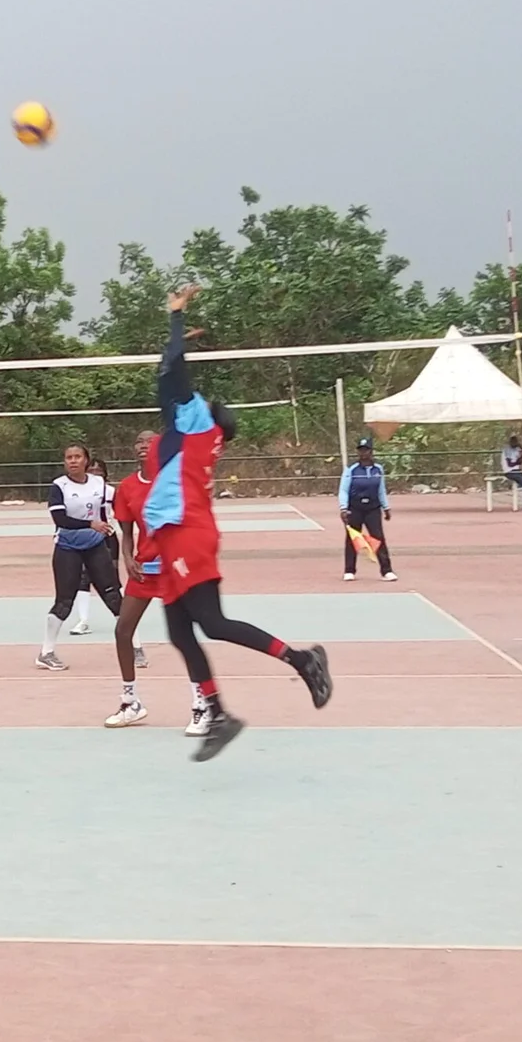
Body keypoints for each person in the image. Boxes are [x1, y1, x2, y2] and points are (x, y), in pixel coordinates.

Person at [143, 283, 334, 760]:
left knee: (211, 623)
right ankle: (218, 714)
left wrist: (176, 319)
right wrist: (176, 343)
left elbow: (170, 371)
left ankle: (302, 659)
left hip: (186, 532)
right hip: (175, 533)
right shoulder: (197, 433)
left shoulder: (194, 420)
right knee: (180, 633)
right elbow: (170, 370)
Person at [37, 444, 124, 671]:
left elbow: (106, 514)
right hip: (67, 547)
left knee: (113, 596)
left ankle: (134, 647)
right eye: (69, 457)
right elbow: (61, 520)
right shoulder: (59, 486)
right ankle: (46, 652)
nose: (73, 461)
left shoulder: (98, 483)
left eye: (77, 457)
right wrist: (90, 524)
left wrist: (108, 536)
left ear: (86, 460)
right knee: (64, 601)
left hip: (95, 546)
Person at [105, 430, 167, 731]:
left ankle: (202, 702)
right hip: (145, 570)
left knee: (187, 635)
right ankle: (130, 701)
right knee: (122, 630)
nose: (143, 445)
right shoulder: (128, 487)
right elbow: (127, 533)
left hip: (175, 569)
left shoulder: (175, 481)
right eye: (139, 442)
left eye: (150, 441)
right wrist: (128, 559)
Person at [68, 456, 117, 636]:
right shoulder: (75, 491)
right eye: (92, 471)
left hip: (107, 538)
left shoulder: (110, 492)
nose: (96, 474)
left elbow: (123, 513)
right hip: (83, 538)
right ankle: (83, 620)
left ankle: (123, 618)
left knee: (111, 580)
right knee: (83, 579)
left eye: (99, 471)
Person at [339, 438, 396, 582]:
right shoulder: (351, 469)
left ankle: (386, 571)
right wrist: (343, 508)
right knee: (352, 538)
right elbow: (343, 490)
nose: (363, 453)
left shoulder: (378, 469)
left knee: (378, 538)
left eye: (366, 450)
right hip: (355, 508)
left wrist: (386, 507)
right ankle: (349, 570)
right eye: (361, 450)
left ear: (371, 451)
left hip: (373, 508)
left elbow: (381, 489)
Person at [501, 435, 522, 510]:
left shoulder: (516, 449)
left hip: (516, 470)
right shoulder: (507, 449)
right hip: (509, 471)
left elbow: (520, 462)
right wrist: (517, 461)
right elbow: (510, 464)